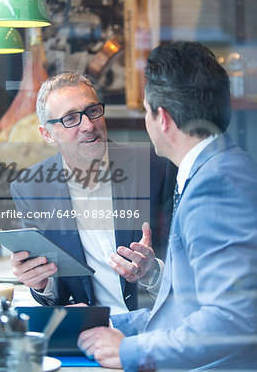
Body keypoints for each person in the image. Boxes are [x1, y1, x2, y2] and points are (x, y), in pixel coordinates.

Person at [77, 41, 257, 370]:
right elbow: (192, 305)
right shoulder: (215, 169)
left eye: (145, 110)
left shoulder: (217, 185)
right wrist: (118, 328)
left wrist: (129, 351)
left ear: (162, 118)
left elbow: (232, 320)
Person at [10, 73, 176, 314]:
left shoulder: (156, 167)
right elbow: (59, 292)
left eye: (93, 111)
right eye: (70, 118)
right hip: (90, 331)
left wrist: (153, 273)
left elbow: (192, 269)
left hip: (155, 326)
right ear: (47, 134)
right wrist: (42, 283)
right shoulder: (31, 189)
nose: (88, 125)